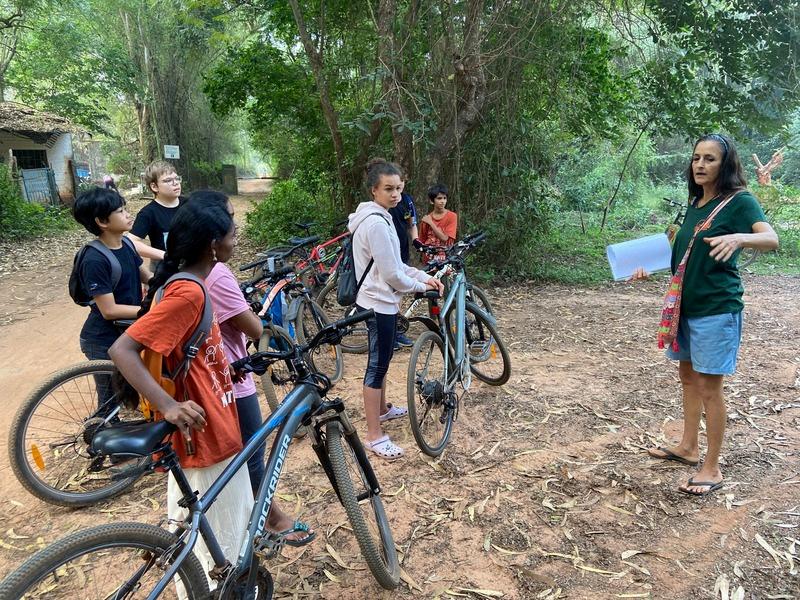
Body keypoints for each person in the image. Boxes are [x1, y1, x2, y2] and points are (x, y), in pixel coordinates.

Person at [108, 199, 253, 589]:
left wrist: (225, 367)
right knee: (218, 533)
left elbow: (189, 351)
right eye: (232, 235)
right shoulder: (189, 293)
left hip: (214, 420)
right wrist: (168, 405)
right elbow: (122, 349)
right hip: (203, 434)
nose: (235, 241)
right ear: (212, 245)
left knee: (206, 522)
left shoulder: (188, 283)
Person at [631, 133, 778, 496]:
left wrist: (740, 239)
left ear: (725, 165)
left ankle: (712, 467)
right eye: (697, 157)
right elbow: (685, 253)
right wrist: (648, 266)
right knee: (687, 378)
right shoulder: (696, 202)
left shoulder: (740, 201)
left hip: (716, 309)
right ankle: (688, 447)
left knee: (710, 388)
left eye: (710, 159)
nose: (700, 164)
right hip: (685, 309)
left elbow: (771, 238)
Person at [196, 190, 314, 545]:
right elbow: (254, 329)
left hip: (204, 379)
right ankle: (270, 519)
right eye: (230, 221)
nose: (236, 230)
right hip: (230, 377)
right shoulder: (218, 275)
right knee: (252, 453)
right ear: (212, 236)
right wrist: (256, 319)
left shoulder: (185, 269)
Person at [348, 158, 445, 460]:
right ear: (374, 190)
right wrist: (420, 286)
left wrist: (422, 277)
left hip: (380, 299)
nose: (395, 194)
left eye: (399, 189)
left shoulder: (383, 216)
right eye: (388, 189)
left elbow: (397, 265)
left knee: (384, 357)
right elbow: (391, 274)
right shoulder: (376, 223)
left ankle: (383, 409)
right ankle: (374, 435)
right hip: (378, 302)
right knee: (377, 365)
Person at [71, 187, 150, 362]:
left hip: (127, 332)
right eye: (120, 211)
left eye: (125, 209)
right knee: (118, 382)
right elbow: (109, 310)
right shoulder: (94, 260)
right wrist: (151, 310)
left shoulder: (127, 244)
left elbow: (148, 277)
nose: (128, 215)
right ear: (102, 221)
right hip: (103, 341)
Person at [129, 160, 186, 271]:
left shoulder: (189, 204)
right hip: (164, 271)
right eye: (168, 180)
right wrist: (164, 255)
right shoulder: (148, 213)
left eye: (177, 178)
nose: (175, 183)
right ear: (154, 186)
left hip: (192, 269)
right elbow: (132, 242)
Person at [387, 171, 419, 349]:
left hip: (402, 249)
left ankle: (396, 330)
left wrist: (416, 240)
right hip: (386, 251)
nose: (396, 191)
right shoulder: (384, 202)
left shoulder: (406, 201)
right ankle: (388, 333)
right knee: (387, 290)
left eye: (400, 185)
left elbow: (412, 224)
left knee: (397, 290)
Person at [417, 183, 458, 264]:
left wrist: (431, 223)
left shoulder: (452, 216)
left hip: (446, 259)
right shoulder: (426, 219)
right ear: (432, 201)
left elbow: (445, 238)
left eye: (444, 198)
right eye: (439, 198)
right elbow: (422, 241)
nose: (442, 201)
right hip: (429, 259)